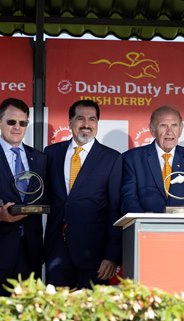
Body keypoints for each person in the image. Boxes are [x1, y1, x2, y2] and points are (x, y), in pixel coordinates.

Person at [44, 99, 122, 289]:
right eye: (80, 118)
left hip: (94, 255)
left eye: (92, 119)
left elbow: (116, 208)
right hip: (57, 251)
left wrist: (111, 256)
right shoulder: (51, 153)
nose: (86, 124)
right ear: (70, 122)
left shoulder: (112, 158)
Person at [0, 98, 46, 296]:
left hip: (31, 253)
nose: (17, 127)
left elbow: (45, 200)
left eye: (22, 123)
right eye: (11, 122)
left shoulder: (40, 158)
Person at [121, 105, 184, 214]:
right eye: (163, 126)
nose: (169, 132)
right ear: (152, 130)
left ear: (181, 129)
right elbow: (128, 198)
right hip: (146, 227)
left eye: (174, 125)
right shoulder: (132, 159)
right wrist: (144, 218)